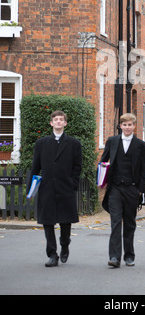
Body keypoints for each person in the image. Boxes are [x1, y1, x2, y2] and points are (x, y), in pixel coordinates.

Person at [27, 111, 82, 267]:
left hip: (65, 187)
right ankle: (52, 254)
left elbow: (77, 167)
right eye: (55, 119)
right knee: (48, 222)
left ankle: (65, 245)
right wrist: (31, 187)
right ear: (51, 123)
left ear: (65, 123)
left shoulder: (74, 143)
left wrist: (73, 184)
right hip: (47, 188)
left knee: (66, 222)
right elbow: (35, 167)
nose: (58, 122)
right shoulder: (41, 143)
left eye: (61, 119)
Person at [100, 113, 145, 268]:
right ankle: (114, 257)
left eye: (130, 125)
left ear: (134, 126)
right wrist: (101, 179)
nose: (127, 127)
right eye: (124, 125)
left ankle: (129, 256)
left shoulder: (142, 146)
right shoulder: (112, 141)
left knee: (129, 223)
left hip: (132, 189)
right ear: (120, 126)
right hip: (115, 188)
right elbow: (103, 161)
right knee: (115, 222)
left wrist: (140, 190)